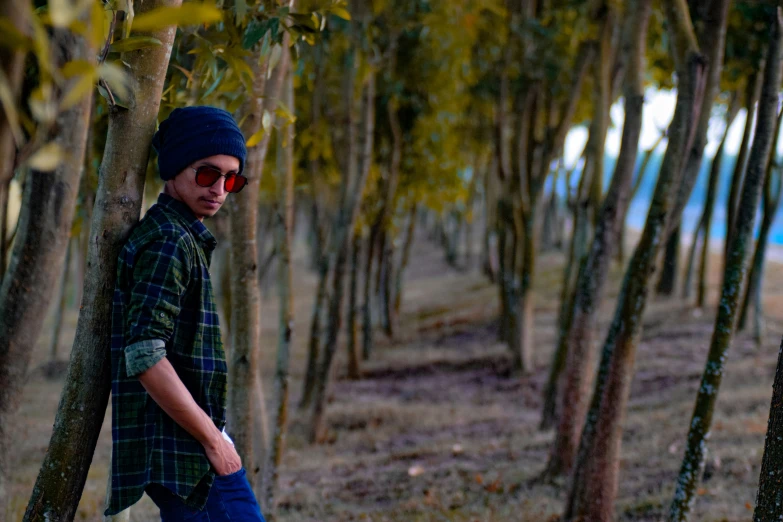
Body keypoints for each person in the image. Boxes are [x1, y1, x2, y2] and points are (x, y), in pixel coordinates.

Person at [104, 106, 265, 521]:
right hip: (185, 453)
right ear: (175, 168)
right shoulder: (168, 242)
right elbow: (144, 354)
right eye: (207, 173)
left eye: (232, 178)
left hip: (187, 446)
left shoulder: (181, 237)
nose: (220, 188)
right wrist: (213, 441)